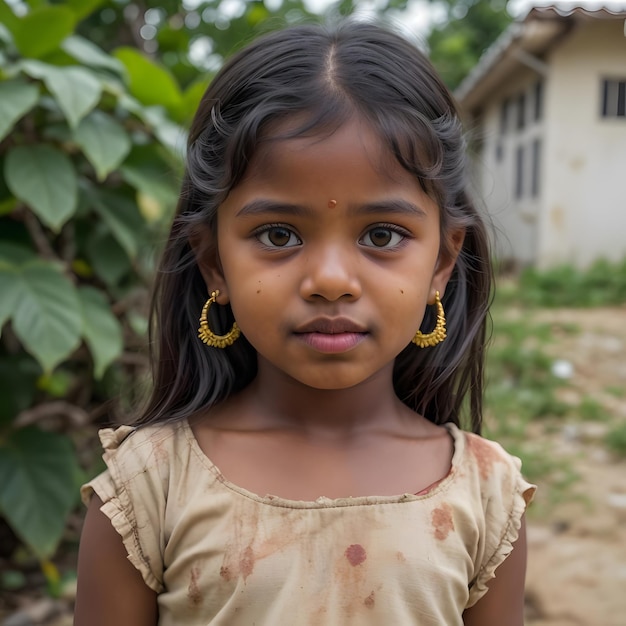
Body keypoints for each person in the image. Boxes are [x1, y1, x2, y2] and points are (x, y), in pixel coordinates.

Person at [74, 20, 535, 626]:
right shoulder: (148, 491)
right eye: (279, 235)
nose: (331, 279)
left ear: (441, 263)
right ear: (215, 262)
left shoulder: (484, 495)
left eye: (381, 235)